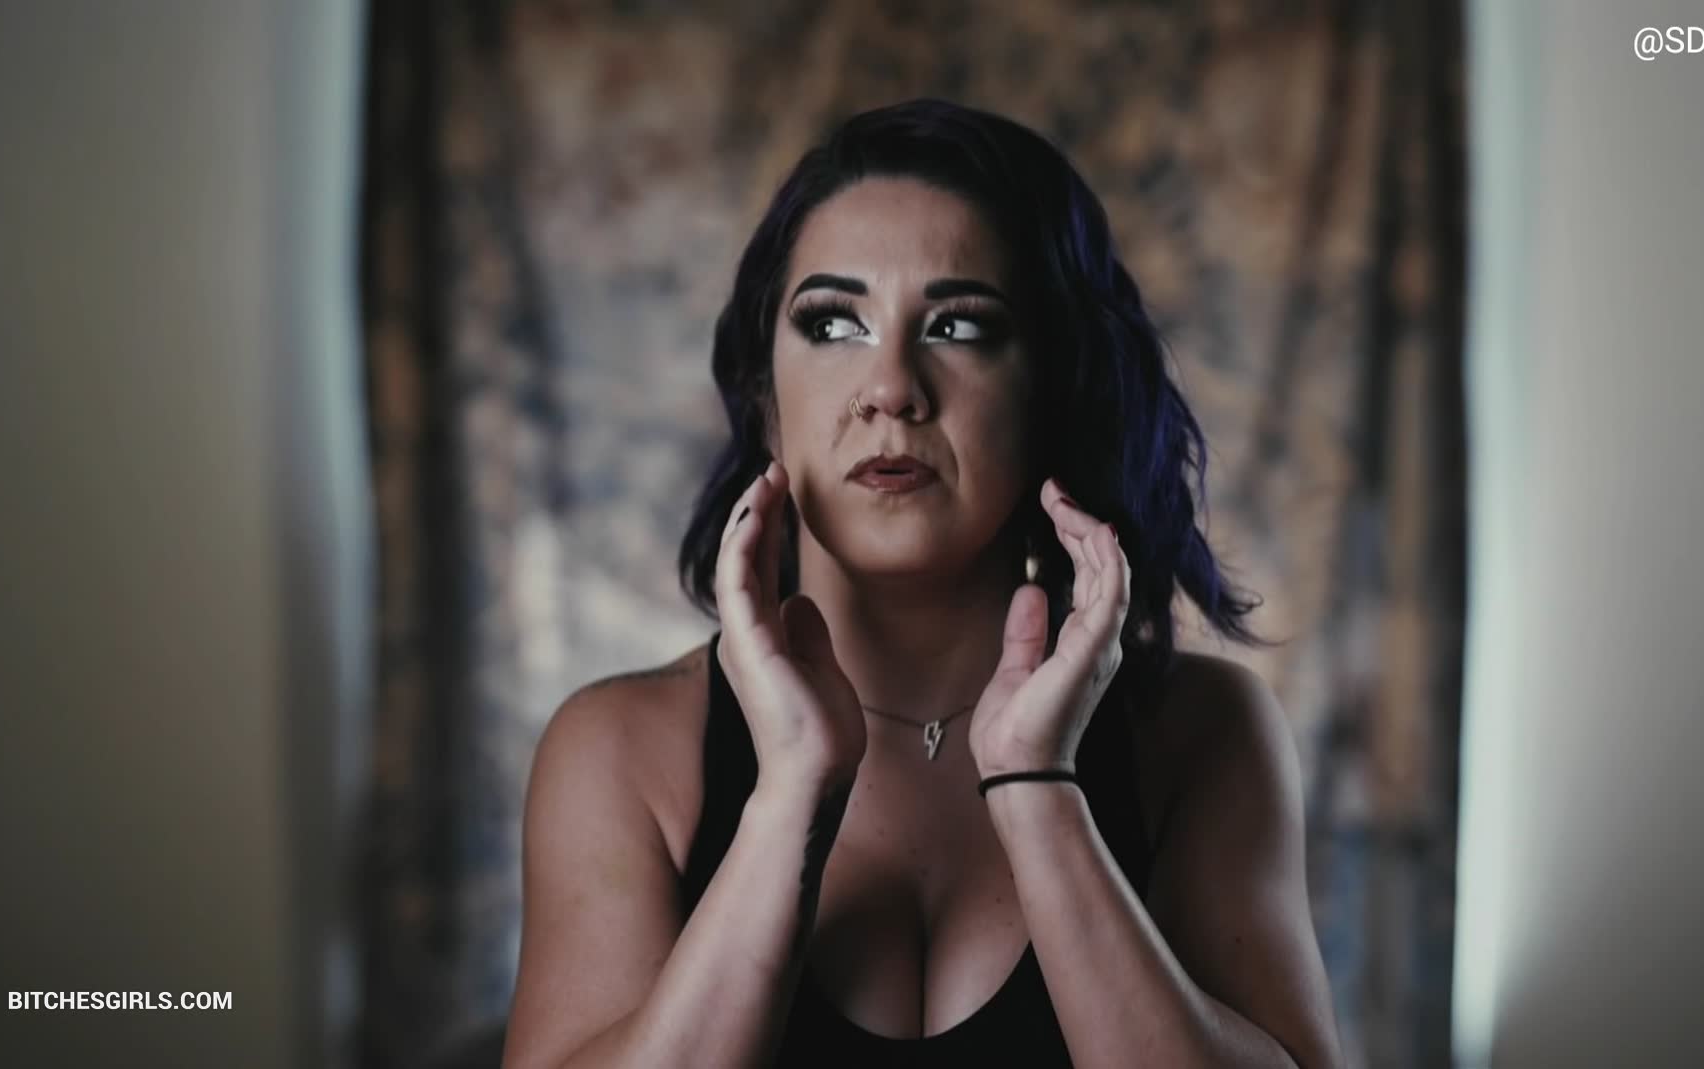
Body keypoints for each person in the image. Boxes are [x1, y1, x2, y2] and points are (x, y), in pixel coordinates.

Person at [501, 99, 1343, 1068]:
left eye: (957, 325)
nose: (891, 388)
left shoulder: (1203, 734)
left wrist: (1037, 787)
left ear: (1055, 390)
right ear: (766, 400)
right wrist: (790, 793)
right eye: (832, 323)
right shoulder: (619, 752)